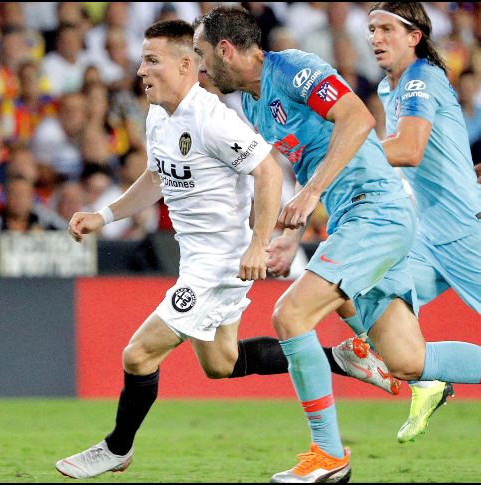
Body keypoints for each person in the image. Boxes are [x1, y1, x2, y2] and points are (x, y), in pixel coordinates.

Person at [54, 19, 395, 481]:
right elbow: (157, 176)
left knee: (138, 355)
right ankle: (343, 358)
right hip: (197, 258)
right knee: (221, 364)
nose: (141, 70)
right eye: (142, 60)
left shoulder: (212, 118)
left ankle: (116, 448)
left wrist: (259, 243)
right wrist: (107, 215)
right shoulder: (159, 114)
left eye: (151, 61)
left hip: (218, 265)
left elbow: (268, 172)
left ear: (186, 65)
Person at [192, 5, 481, 483]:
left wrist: (310, 195)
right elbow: (306, 166)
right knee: (407, 360)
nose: (200, 68)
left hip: (377, 212)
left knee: (291, 315)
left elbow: (356, 120)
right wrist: (289, 236)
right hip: (356, 217)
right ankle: (371, 377)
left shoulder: (294, 68)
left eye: (201, 55)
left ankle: (328, 455)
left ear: (226, 50)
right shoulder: (252, 103)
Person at [362, 3, 480, 444]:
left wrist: (343, 155)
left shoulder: (421, 78)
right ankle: (426, 383)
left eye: (386, 29)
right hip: (428, 235)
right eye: (372, 29)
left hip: (467, 232)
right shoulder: (389, 86)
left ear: (414, 36)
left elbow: (409, 148)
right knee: (368, 296)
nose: (375, 37)